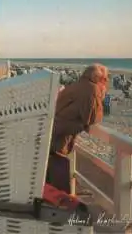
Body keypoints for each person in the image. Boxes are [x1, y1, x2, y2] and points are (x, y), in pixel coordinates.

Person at [46, 64, 107, 194]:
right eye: (105, 78)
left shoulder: (76, 86)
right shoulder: (91, 89)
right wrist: (101, 96)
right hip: (59, 139)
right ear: (98, 78)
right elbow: (92, 118)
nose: (106, 82)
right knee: (58, 180)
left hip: (53, 133)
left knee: (52, 175)